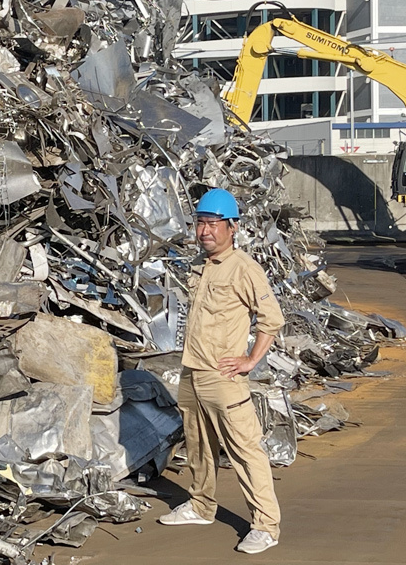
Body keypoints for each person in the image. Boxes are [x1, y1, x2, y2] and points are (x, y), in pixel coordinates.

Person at [159, 188, 285, 555]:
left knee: (245, 450)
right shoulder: (200, 265)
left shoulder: (243, 268)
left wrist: (249, 361)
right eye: (200, 223)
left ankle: (266, 526)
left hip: (224, 378)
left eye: (213, 224)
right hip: (192, 372)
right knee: (198, 445)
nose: (204, 231)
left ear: (232, 227)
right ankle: (200, 506)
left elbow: (271, 319)